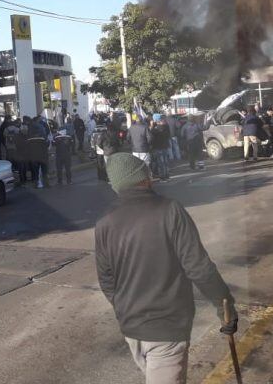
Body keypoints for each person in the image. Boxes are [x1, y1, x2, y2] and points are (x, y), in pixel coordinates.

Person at [96, 154, 237, 384]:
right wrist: (225, 305)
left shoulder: (104, 223)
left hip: (132, 329)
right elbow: (198, 267)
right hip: (166, 329)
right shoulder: (170, 210)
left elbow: (106, 280)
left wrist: (125, 307)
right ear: (144, 177)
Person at [27, 119, 50, 188]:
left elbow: (28, 148)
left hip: (34, 157)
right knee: (44, 172)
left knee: (35, 172)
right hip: (43, 157)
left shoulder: (30, 139)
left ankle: (36, 184)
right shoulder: (42, 138)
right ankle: (46, 184)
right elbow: (47, 144)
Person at [151, 115, 171, 181]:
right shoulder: (166, 127)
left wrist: (152, 126)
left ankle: (162, 177)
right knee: (165, 162)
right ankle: (167, 175)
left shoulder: (155, 129)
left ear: (156, 121)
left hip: (158, 147)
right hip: (165, 146)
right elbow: (168, 136)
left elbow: (151, 137)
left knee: (160, 163)